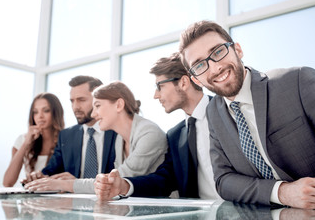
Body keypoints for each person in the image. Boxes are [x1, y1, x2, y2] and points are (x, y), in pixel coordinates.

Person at [178, 20, 315, 218]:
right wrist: (282, 192)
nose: (214, 68)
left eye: (217, 52)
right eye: (199, 65)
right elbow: (224, 180)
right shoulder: (214, 112)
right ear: (196, 79)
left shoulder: (297, 82)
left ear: (237, 50)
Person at [94, 53, 222, 200]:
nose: (156, 95)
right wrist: (125, 186)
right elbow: (164, 181)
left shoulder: (229, 112)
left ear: (184, 83)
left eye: (160, 86)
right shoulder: (176, 136)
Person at [25, 81, 167, 194]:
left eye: (98, 106)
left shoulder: (149, 134)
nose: (93, 114)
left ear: (118, 105)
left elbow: (113, 182)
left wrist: (65, 184)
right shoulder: (120, 139)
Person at [21, 76, 117, 187]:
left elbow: (124, 179)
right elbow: (50, 171)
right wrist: (37, 177)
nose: (75, 107)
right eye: (72, 101)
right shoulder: (66, 136)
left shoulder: (117, 132)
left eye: (81, 100)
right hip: (72, 203)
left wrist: (77, 183)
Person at [3, 93, 64, 187]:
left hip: (58, 197)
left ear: (56, 113)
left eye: (46, 111)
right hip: (31, 197)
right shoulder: (22, 139)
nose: (40, 116)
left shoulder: (66, 140)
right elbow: (7, 183)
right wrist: (26, 143)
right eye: (35, 112)